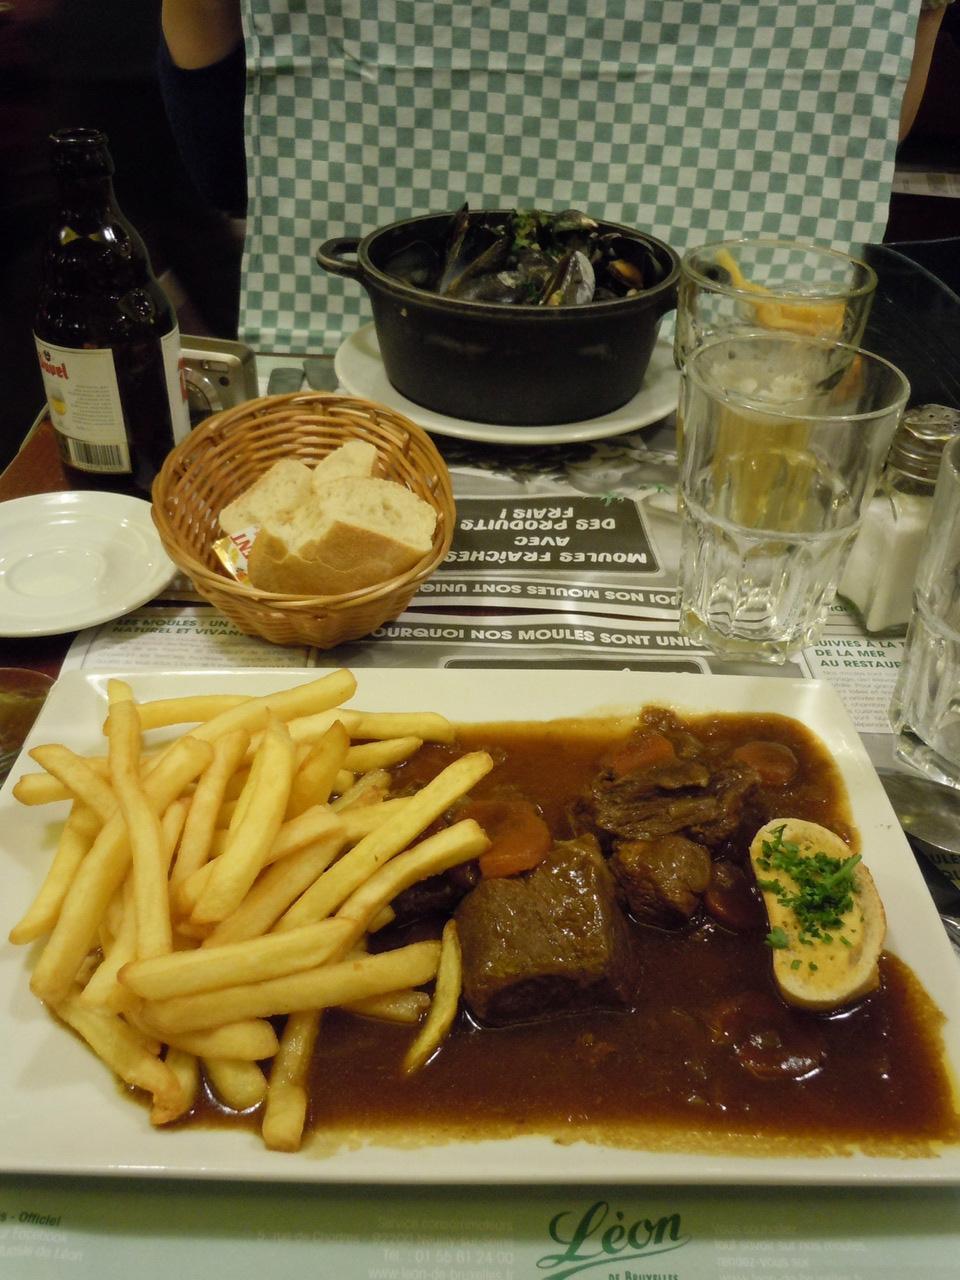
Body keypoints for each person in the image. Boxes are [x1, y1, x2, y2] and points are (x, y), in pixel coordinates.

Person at [157, 1, 951, 356]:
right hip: (358, 367)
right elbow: (225, 167)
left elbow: (851, 127)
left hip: (719, 383)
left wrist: (921, 10)